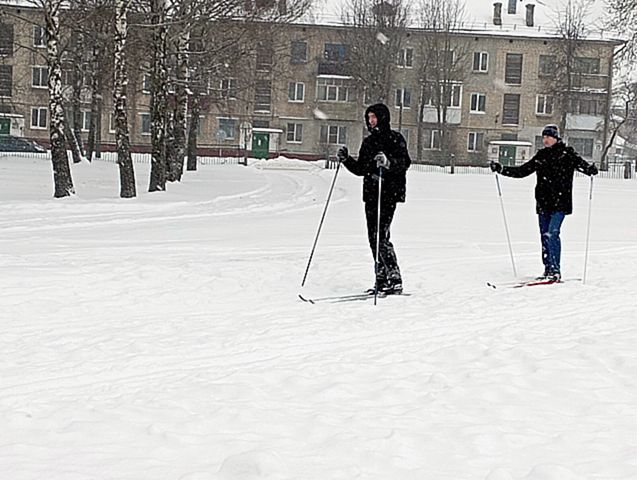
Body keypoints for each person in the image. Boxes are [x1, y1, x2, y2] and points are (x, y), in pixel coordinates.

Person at [490, 124, 599, 281]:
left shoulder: (567, 154)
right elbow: (522, 171)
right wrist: (501, 169)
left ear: (556, 138)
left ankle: (555, 270)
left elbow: (584, 167)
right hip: (543, 202)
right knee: (544, 235)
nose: (545, 140)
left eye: (548, 137)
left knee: (553, 232)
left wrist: (591, 169)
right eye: (544, 137)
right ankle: (547, 269)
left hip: (561, 202)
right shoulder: (541, 155)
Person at [337, 103, 411, 294]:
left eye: (374, 117)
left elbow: (404, 163)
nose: (371, 121)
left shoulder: (395, 139)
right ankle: (381, 277)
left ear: (382, 118)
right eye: (369, 118)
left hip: (389, 194)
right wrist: (347, 160)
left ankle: (394, 277)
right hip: (371, 194)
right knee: (373, 237)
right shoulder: (368, 142)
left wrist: (388, 163)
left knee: (381, 235)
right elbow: (361, 169)